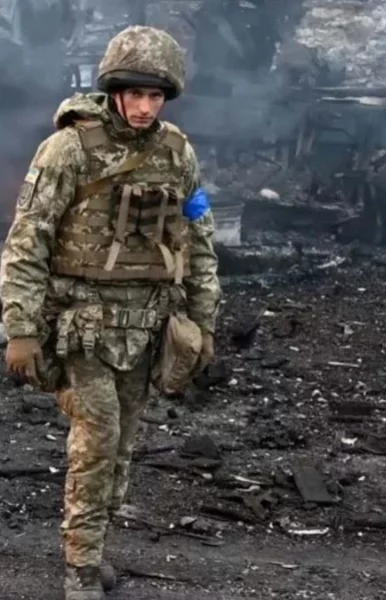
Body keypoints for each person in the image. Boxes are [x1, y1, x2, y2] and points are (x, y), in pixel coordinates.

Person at [0, 25, 220, 600]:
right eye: (136, 94)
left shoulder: (177, 151)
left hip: (148, 328)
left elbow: (199, 239)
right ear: (115, 89)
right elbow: (28, 242)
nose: (145, 107)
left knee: (122, 446)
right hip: (83, 325)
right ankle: (80, 569)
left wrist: (204, 320)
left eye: (156, 96)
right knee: (95, 443)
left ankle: (92, 549)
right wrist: (20, 330)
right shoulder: (68, 149)